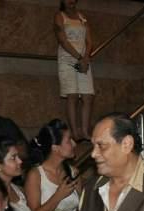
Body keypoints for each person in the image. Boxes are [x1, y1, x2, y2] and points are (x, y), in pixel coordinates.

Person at [54, 0, 95, 142]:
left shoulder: (82, 16)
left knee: (87, 96)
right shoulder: (59, 16)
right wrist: (79, 58)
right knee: (72, 95)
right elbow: (63, 41)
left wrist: (85, 58)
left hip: (83, 60)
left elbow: (89, 40)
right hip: (68, 60)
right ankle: (74, 133)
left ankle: (84, 131)